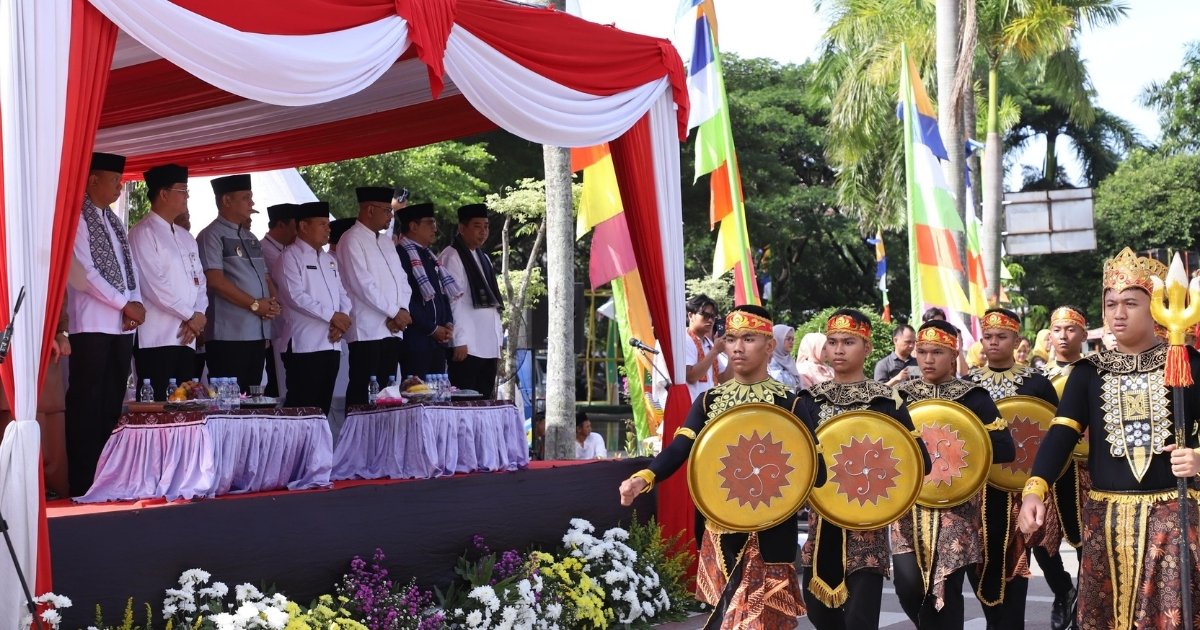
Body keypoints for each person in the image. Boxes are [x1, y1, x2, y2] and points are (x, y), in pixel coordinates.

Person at [1019, 248, 1200, 630]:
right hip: (1106, 520)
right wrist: (1035, 488)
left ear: (1157, 307)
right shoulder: (1088, 372)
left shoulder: (1188, 363)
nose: (1119, 313)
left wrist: (1199, 457)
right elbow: (1061, 435)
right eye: (1111, 303)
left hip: (1173, 516)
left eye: (1131, 303)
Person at [619, 305, 820, 628]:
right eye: (731, 338)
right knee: (733, 618)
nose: (737, 347)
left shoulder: (792, 404)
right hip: (721, 529)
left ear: (769, 345)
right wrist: (645, 477)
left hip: (773, 528)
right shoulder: (709, 402)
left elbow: (816, 472)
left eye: (748, 339)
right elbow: (680, 448)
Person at [797, 309, 930, 630]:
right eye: (832, 342)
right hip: (822, 524)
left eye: (848, 342)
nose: (838, 350)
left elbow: (920, 461)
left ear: (867, 348)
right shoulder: (808, 400)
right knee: (817, 610)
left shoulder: (886, 401)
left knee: (861, 618)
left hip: (868, 526)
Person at [892, 319, 1016, 630]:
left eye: (937, 352)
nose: (928, 359)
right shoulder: (900, 397)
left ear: (953, 354)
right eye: (922, 352)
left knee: (947, 588)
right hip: (909, 508)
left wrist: (961, 445)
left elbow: (1006, 449)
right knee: (907, 587)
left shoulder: (974, 397)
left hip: (956, 509)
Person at [965, 308, 1060, 630]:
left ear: (1017, 339)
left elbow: (1055, 434)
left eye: (1001, 336)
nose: (993, 342)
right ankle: (995, 621)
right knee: (981, 559)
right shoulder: (968, 386)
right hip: (980, 491)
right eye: (988, 336)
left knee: (1016, 559)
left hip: (1022, 490)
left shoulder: (1037, 383)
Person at [65, 152, 145, 496]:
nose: (119, 187)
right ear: (93, 180)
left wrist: (134, 303)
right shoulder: (77, 219)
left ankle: (109, 477)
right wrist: (125, 304)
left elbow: (130, 269)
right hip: (91, 325)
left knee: (112, 403)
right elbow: (84, 275)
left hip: (120, 326)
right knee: (87, 403)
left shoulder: (113, 220)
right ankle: (82, 480)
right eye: (114, 180)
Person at [128, 164, 207, 400]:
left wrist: (200, 314)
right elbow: (155, 286)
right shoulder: (143, 233)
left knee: (183, 406)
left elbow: (200, 281)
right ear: (163, 194)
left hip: (187, 337)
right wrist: (191, 316)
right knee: (157, 404)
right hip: (157, 338)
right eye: (182, 191)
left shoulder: (186, 237)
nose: (187, 197)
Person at [197, 174, 280, 394]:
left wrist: (272, 304)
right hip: (228, 336)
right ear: (226, 200)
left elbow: (265, 277)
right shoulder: (211, 235)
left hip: (257, 333)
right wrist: (256, 305)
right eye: (246, 197)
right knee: (228, 401)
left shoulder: (251, 237)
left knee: (252, 398)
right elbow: (215, 281)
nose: (252, 203)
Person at [274, 201, 352, 413]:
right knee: (302, 408)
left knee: (322, 408)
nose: (328, 229)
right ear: (304, 226)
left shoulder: (328, 260)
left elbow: (342, 293)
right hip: (304, 345)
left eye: (328, 224)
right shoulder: (289, 257)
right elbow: (295, 296)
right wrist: (332, 316)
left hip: (331, 343)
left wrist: (342, 319)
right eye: (322, 224)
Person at [337, 187, 412, 406]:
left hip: (393, 328)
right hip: (367, 330)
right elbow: (362, 285)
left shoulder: (387, 242)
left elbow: (402, 280)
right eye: (387, 211)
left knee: (388, 393)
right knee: (364, 392)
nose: (391, 216)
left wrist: (403, 310)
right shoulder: (351, 239)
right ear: (370, 210)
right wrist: (394, 312)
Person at [1042, 305, 1091, 630]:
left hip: (1088, 469)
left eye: (1071, 329)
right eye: (1058, 330)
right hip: (1050, 471)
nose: (1063, 336)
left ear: (1083, 334)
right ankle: (1063, 591)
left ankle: (1083, 606)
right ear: (1049, 335)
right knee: (1040, 541)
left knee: (1087, 540)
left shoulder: (1094, 373)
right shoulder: (1038, 379)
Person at [439, 203, 505, 399]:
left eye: (486, 226)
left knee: (484, 403)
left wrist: (497, 343)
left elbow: (493, 306)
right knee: (464, 401)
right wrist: (458, 340)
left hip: (487, 345)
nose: (483, 231)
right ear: (462, 228)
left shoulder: (483, 257)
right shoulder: (452, 256)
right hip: (467, 346)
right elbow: (453, 302)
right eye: (477, 226)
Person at [395, 202, 456, 378]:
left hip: (438, 342)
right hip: (416, 341)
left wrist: (448, 323)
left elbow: (441, 293)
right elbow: (406, 298)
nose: (435, 229)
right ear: (413, 226)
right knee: (416, 390)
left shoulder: (429, 255)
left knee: (437, 391)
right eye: (430, 223)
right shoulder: (400, 254)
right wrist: (432, 328)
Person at [261, 202, 298, 397]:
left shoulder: (285, 249)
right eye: (295, 225)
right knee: (276, 384)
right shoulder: (265, 249)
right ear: (281, 225)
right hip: (273, 326)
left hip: (285, 327)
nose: (298, 232)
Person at [767, 324, 802, 391]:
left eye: (792, 339)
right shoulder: (770, 363)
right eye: (788, 338)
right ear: (777, 340)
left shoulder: (790, 361)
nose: (791, 342)